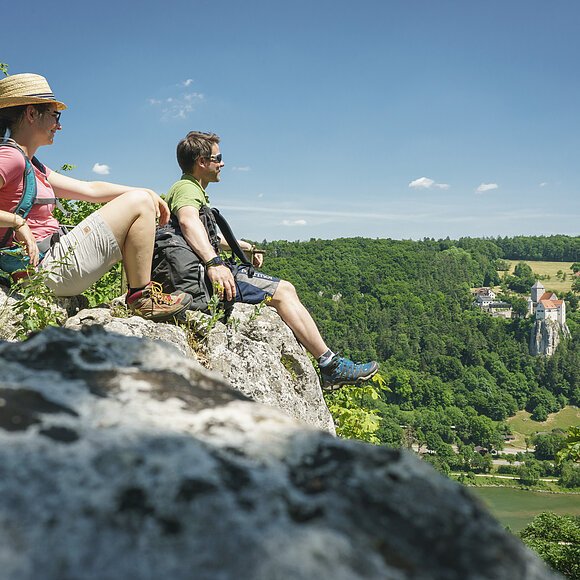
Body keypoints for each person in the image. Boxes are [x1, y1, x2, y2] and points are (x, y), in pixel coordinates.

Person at [163, 131, 379, 390]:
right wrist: (214, 264)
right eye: (217, 158)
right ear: (201, 161)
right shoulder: (187, 188)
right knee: (284, 291)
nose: (222, 164)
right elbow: (188, 221)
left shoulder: (188, 187)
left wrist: (245, 247)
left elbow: (202, 232)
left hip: (195, 269)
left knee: (284, 289)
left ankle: (329, 363)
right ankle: (330, 366)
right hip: (201, 274)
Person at [0, 73, 191, 321]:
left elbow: (89, 190)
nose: (59, 125)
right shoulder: (11, 157)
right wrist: (18, 222)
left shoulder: (32, 166)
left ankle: (141, 295)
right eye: (54, 115)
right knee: (140, 202)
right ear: (31, 113)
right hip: (45, 268)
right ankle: (142, 299)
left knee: (141, 198)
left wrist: (147, 192)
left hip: (47, 265)